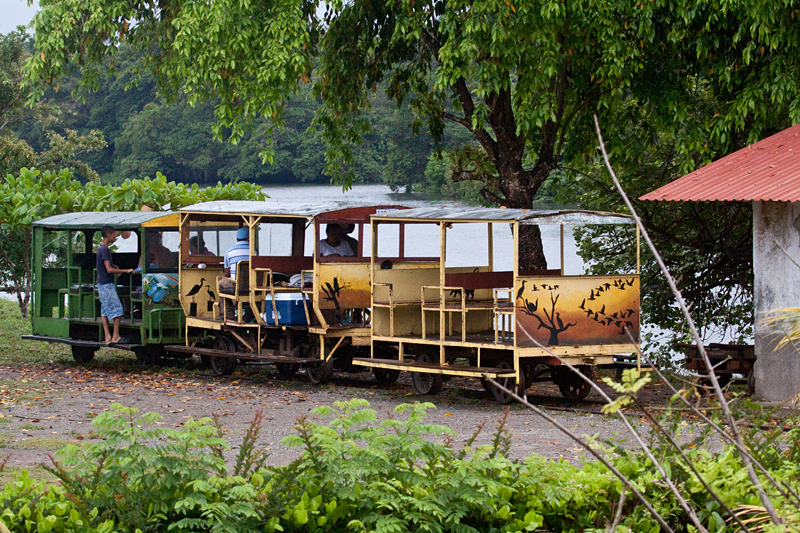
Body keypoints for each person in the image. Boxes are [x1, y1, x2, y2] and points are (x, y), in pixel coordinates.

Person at [97, 225, 135, 345]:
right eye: (114, 234)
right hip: (106, 284)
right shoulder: (105, 250)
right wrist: (125, 270)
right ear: (109, 235)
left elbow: (107, 266)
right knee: (118, 310)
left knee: (104, 311)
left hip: (102, 283)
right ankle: (115, 336)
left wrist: (115, 267)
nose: (116, 236)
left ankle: (108, 337)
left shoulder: (101, 248)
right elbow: (108, 269)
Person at [219, 227, 251, 320]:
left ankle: (227, 314)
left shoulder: (229, 251)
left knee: (220, 284)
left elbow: (227, 273)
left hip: (235, 283)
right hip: (251, 284)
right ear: (249, 238)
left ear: (236, 238)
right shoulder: (255, 251)